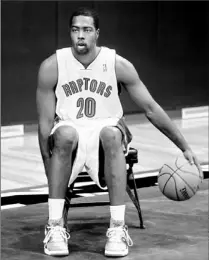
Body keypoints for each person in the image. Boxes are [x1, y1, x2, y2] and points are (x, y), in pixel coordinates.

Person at [36, 7, 203, 257]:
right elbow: (45, 125)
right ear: (70, 33)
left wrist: (184, 147)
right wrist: (49, 169)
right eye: (75, 30)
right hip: (69, 132)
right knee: (65, 133)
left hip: (107, 128)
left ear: (97, 34)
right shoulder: (52, 66)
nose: (80, 35)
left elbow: (151, 108)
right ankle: (55, 226)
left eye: (87, 30)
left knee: (111, 133)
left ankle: (117, 228)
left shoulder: (116, 64)